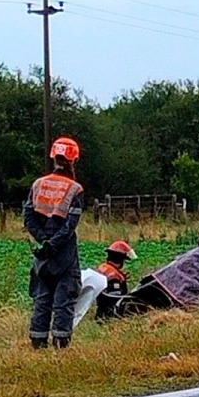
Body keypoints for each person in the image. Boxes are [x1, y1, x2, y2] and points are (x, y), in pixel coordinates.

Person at [23, 137, 84, 349]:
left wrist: (43, 241)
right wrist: (55, 243)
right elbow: (70, 225)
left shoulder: (38, 184)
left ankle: (38, 344)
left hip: (42, 254)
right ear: (73, 160)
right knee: (64, 300)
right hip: (64, 254)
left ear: (53, 157)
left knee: (42, 299)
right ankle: (61, 345)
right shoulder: (75, 189)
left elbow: (28, 217)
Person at [95, 240, 137, 320]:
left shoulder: (103, 268)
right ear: (120, 259)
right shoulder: (114, 276)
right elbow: (115, 299)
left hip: (100, 313)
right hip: (109, 317)